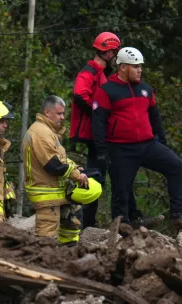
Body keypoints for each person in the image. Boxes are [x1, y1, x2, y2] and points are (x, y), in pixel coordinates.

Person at [92, 47, 182, 232]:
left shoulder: (145, 90)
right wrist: (101, 151)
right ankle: (122, 223)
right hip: (120, 148)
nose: (140, 70)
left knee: (176, 166)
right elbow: (98, 122)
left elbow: (155, 118)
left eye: (140, 66)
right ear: (123, 67)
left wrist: (162, 144)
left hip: (148, 145)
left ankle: (178, 216)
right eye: (135, 67)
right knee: (121, 188)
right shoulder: (107, 90)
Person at [23, 96, 93, 245]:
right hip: (46, 194)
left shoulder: (48, 131)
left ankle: (67, 257)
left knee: (72, 223)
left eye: (63, 114)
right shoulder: (40, 133)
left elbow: (60, 158)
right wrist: (76, 175)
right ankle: (42, 264)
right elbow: (53, 165)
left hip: (56, 193)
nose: (62, 118)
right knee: (45, 239)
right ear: (47, 112)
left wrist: (75, 167)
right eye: (59, 114)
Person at [71, 31, 121, 229]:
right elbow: (80, 95)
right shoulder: (89, 72)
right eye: (114, 53)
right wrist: (99, 113)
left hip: (98, 134)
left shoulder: (101, 75)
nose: (115, 57)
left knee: (99, 177)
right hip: (92, 134)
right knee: (94, 178)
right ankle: (88, 225)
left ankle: (93, 224)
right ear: (108, 53)